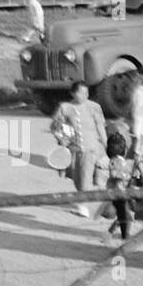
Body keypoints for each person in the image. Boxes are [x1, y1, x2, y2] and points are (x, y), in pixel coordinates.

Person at [51, 81, 108, 218]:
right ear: (72, 93)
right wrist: (61, 138)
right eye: (81, 92)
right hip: (73, 149)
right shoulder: (65, 107)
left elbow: (101, 128)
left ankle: (83, 206)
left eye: (86, 92)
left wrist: (106, 147)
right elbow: (55, 127)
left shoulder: (94, 107)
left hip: (91, 148)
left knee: (85, 176)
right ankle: (87, 199)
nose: (84, 95)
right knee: (77, 177)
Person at [99, 131, 137, 246]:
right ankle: (125, 238)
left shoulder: (118, 160)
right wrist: (129, 175)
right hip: (118, 193)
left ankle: (109, 233)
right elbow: (115, 175)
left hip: (123, 192)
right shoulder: (115, 161)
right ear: (124, 149)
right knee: (127, 215)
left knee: (126, 214)